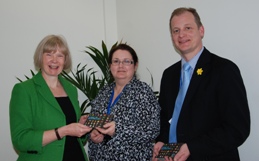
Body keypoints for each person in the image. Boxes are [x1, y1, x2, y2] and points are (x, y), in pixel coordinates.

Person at [152, 7, 250, 161]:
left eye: (188, 28)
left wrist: (192, 147)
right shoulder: (169, 75)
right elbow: (164, 119)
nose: (181, 34)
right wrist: (161, 141)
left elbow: (237, 129)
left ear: (201, 30)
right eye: (176, 30)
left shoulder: (224, 70)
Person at [9, 35, 92, 161]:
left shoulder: (71, 89)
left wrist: (80, 126)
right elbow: (21, 140)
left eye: (60, 55)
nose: (54, 60)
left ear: (65, 60)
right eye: (49, 54)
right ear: (40, 58)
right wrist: (63, 131)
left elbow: (76, 136)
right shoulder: (24, 90)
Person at [88, 43, 160, 160]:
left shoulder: (143, 92)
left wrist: (118, 130)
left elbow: (152, 130)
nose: (120, 66)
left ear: (135, 65)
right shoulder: (103, 92)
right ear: (110, 66)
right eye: (116, 61)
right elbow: (94, 120)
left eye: (126, 61)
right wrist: (94, 133)